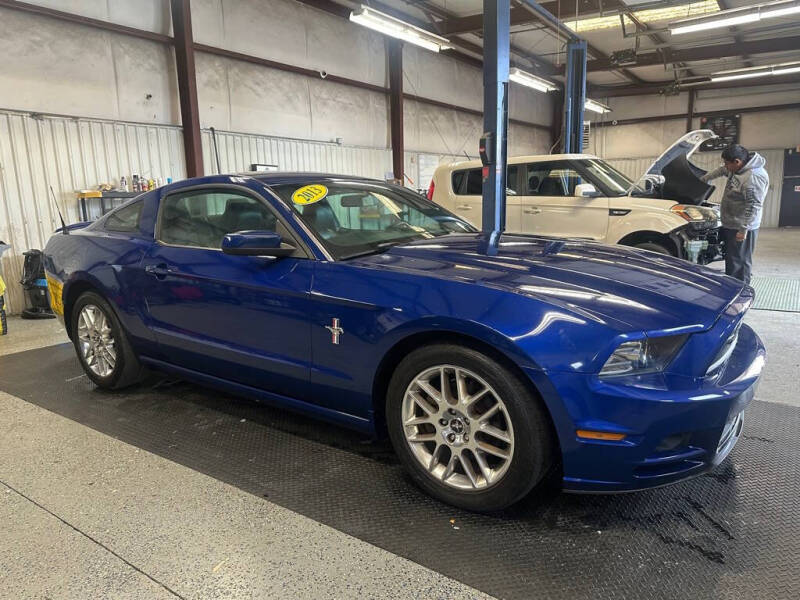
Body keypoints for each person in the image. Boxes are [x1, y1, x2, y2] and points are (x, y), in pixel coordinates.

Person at [701, 144, 769, 284]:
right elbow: (722, 170)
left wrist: (743, 229)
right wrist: (705, 179)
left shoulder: (753, 177)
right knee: (733, 259)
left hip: (741, 226)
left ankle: (741, 292)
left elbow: (753, 205)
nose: (725, 166)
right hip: (732, 222)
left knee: (741, 262)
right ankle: (731, 287)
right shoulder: (737, 168)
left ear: (737, 161)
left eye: (727, 163)